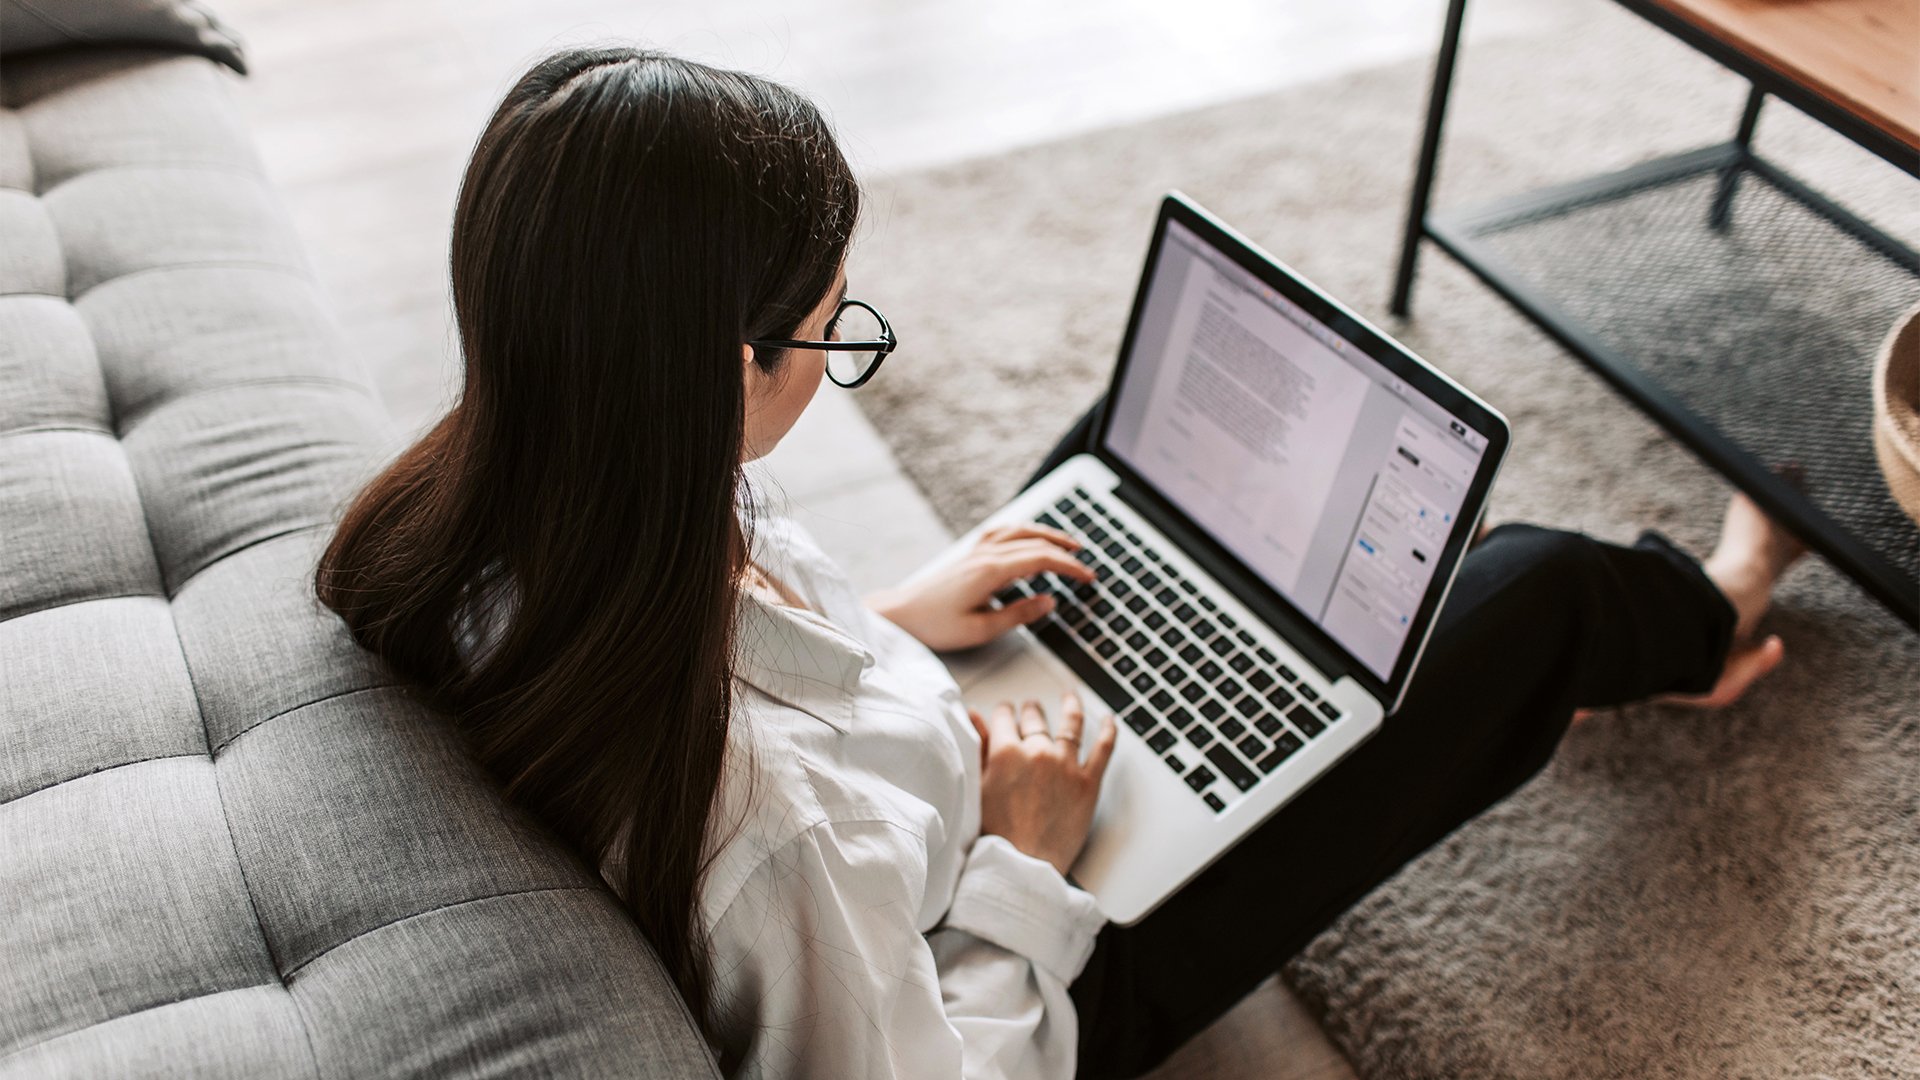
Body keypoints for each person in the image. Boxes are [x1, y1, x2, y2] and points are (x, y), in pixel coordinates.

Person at [314, 46, 1804, 1080]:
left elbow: (730, 673)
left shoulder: (522, 496)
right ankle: (1709, 613)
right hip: (1042, 965)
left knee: (1130, 465)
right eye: (832, 334)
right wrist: (1025, 857)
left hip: (921, 766)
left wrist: (891, 623)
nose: (843, 350)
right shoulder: (772, 840)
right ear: (719, 366)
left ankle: (1363, 575)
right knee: (1537, 592)